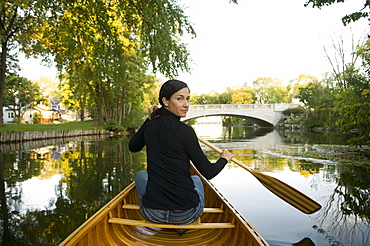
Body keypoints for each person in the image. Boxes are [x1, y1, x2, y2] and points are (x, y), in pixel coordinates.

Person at [129, 79, 234, 235]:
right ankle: (181, 225)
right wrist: (224, 159)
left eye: (187, 99)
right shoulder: (186, 131)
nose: (186, 104)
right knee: (196, 179)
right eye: (179, 99)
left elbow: (133, 147)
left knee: (141, 175)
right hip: (187, 214)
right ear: (165, 101)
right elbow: (209, 172)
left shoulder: (150, 126)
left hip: (153, 214)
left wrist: (148, 120)